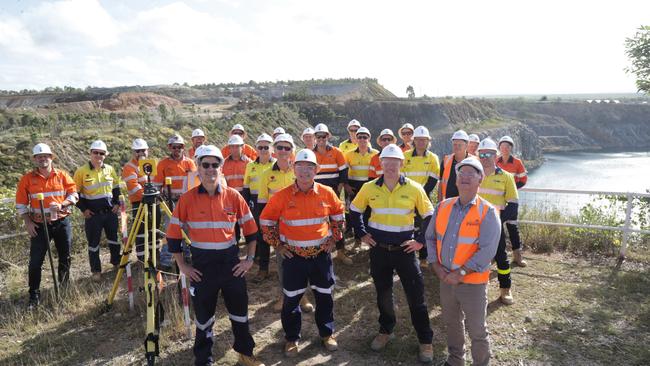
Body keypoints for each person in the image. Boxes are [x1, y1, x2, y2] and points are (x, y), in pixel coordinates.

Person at [167, 145, 264, 366]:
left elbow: (251, 231)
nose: (211, 169)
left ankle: (245, 354)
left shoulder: (234, 197)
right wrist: (183, 266)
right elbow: (173, 236)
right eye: (205, 165)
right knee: (204, 319)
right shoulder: (187, 199)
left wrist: (249, 260)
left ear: (221, 169)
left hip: (231, 265)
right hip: (202, 268)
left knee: (240, 313)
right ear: (198, 169)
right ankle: (203, 359)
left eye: (215, 165)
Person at [350, 144, 435, 364]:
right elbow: (355, 210)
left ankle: (425, 340)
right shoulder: (369, 187)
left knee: (416, 296)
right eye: (386, 161)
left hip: (405, 252)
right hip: (379, 251)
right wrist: (361, 233)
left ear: (401, 163)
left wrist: (420, 241)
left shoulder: (415, 188)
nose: (389, 165)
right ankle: (386, 330)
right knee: (383, 293)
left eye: (394, 161)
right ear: (381, 163)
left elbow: (429, 216)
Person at [260, 149, 345, 358]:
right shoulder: (281, 196)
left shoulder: (327, 193)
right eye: (300, 166)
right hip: (293, 259)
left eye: (309, 167)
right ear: (293, 168)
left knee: (325, 297)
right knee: (291, 300)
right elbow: (266, 222)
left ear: (316, 170)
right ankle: (291, 338)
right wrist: (278, 246)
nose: (305, 171)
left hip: (321, 258)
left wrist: (334, 238)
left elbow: (338, 215)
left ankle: (327, 334)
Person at [426, 157, 500, 366]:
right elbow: (430, 238)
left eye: (471, 173)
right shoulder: (442, 207)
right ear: (456, 181)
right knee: (452, 324)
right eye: (461, 173)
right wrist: (436, 266)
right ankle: (456, 360)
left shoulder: (488, 212)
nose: (465, 177)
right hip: (446, 280)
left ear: (480, 180)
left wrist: (461, 272)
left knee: (477, 330)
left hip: (472, 283)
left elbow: (487, 250)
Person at [15, 143, 78, 308]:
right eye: (39, 156)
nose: (43, 159)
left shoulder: (62, 175)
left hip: (62, 222)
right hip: (39, 225)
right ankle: (34, 297)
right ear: (35, 159)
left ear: (51, 157)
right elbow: (21, 203)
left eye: (46, 156)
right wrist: (28, 222)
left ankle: (63, 289)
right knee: (35, 262)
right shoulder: (27, 179)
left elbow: (74, 193)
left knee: (65, 257)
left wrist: (63, 204)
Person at [256, 134, 313, 313]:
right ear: (274, 149)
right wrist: (267, 228)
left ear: (292, 151)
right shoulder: (266, 174)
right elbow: (262, 203)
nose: (282, 151)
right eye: (279, 147)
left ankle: (303, 295)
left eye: (287, 148)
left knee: (304, 259)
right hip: (279, 226)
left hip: (300, 224)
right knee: (282, 261)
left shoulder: (299, 171)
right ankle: (285, 295)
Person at [73, 140, 122, 282]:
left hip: (110, 212)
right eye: (96, 153)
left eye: (102, 153)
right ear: (90, 153)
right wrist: (84, 209)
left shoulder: (110, 169)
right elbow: (74, 194)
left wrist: (117, 203)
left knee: (114, 240)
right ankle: (96, 271)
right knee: (93, 244)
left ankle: (116, 262)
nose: (98, 156)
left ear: (105, 155)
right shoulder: (81, 171)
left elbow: (116, 188)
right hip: (93, 215)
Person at [477, 138, 518, 304]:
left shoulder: (506, 177)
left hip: (495, 226)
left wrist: (495, 220)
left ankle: (505, 289)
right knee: (474, 255)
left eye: (488, 154)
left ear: (495, 156)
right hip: (473, 225)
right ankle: (476, 286)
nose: (485, 157)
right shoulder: (474, 174)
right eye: (481, 154)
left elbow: (513, 206)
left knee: (501, 256)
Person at [154, 134, 197, 270]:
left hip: (187, 202)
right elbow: (157, 185)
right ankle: (166, 261)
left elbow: (195, 183)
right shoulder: (163, 164)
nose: (177, 149)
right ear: (169, 147)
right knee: (170, 231)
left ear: (183, 147)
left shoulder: (189, 163)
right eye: (174, 147)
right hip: (170, 203)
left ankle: (188, 255)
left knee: (188, 230)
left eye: (180, 147)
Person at [312, 123, 352, 265]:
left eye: (324, 136)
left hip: (334, 193)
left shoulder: (336, 152)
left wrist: (337, 192)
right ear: (315, 138)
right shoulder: (311, 154)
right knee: (318, 223)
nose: (321, 139)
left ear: (328, 136)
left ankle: (341, 252)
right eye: (318, 136)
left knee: (337, 223)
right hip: (315, 195)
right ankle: (319, 250)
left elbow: (343, 173)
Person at [401, 126, 440, 268]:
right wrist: (411, 195)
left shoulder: (433, 158)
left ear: (428, 141)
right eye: (418, 140)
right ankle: (407, 255)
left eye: (424, 140)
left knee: (425, 227)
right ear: (414, 141)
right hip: (406, 197)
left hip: (424, 198)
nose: (421, 142)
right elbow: (402, 177)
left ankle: (423, 258)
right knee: (408, 225)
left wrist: (419, 195)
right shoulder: (405, 156)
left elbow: (433, 180)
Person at [242, 133, 276, 280]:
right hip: (257, 203)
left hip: (275, 203)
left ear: (271, 148)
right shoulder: (250, 166)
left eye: (266, 147)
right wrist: (247, 205)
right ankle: (264, 268)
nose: (263, 150)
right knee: (262, 236)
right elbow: (246, 187)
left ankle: (286, 269)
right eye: (260, 147)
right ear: (256, 149)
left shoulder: (277, 164)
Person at [121, 138, 160, 261]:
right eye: (137, 151)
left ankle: (155, 253)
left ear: (147, 151)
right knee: (141, 230)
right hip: (140, 203)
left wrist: (156, 194)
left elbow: (156, 182)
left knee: (155, 228)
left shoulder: (151, 164)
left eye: (143, 150)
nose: (141, 153)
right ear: (133, 152)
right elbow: (133, 187)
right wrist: (147, 196)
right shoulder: (129, 167)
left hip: (154, 201)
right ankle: (142, 258)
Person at [497, 135, 528, 267]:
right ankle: (498, 254)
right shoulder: (495, 161)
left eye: (507, 146)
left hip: (512, 200)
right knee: (497, 226)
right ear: (499, 148)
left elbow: (523, 180)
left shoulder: (517, 162)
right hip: (498, 200)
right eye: (503, 146)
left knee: (512, 227)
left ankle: (517, 257)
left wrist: (512, 189)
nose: (505, 149)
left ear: (511, 148)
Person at [343, 127, 378, 243]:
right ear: (356, 139)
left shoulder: (376, 154)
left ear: (369, 138)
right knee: (354, 212)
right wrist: (346, 185)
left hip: (369, 186)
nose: (362, 139)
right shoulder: (349, 154)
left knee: (369, 212)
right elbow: (343, 172)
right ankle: (358, 237)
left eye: (365, 137)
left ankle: (369, 237)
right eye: (360, 137)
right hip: (353, 187)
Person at [439, 130, 471, 201]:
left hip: (467, 204)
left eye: (460, 145)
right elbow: (441, 184)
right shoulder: (446, 160)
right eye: (455, 144)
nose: (457, 147)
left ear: (466, 145)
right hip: (448, 203)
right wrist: (440, 203)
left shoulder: (474, 161)